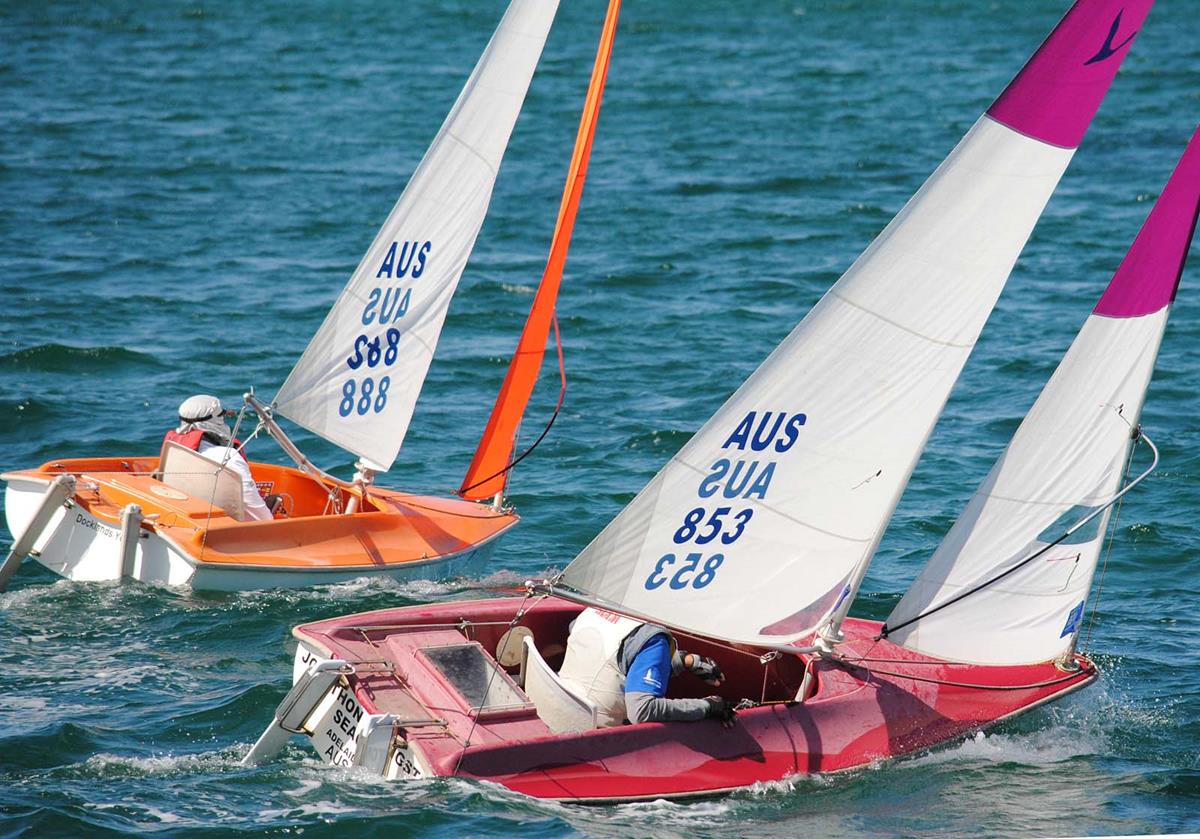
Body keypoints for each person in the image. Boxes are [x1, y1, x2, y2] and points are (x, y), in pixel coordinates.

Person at [557, 607, 737, 728]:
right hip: (599, 732)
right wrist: (708, 707)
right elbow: (642, 711)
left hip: (560, 706)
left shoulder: (594, 609)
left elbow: (612, 661)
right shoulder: (653, 638)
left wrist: (684, 661)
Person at [164, 395, 275, 522]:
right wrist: (269, 505)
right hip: (225, 529)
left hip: (183, 519)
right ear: (215, 420)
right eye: (221, 415)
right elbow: (262, 518)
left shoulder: (174, 449)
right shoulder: (228, 457)